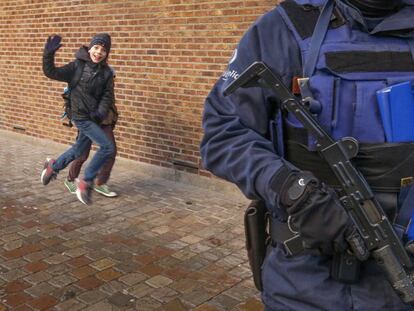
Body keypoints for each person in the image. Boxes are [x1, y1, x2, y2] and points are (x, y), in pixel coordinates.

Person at [200, 0, 414, 310]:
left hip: (400, 278)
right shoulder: (287, 26)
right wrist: (291, 190)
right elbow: (224, 132)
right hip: (304, 281)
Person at [41, 33, 115, 205]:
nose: (99, 52)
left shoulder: (106, 73)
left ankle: (53, 166)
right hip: (81, 117)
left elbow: (107, 96)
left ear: (107, 53)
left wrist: (100, 112)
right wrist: (48, 54)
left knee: (78, 151)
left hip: (94, 118)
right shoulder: (77, 67)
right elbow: (51, 72)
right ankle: (85, 182)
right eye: (96, 47)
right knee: (106, 147)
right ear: (90, 48)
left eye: (103, 50)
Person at [64, 71, 118, 198]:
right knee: (82, 155)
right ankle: (70, 179)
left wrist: (113, 118)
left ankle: (100, 183)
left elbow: (110, 105)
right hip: (88, 122)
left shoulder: (108, 87)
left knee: (111, 151)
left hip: (104, 122)